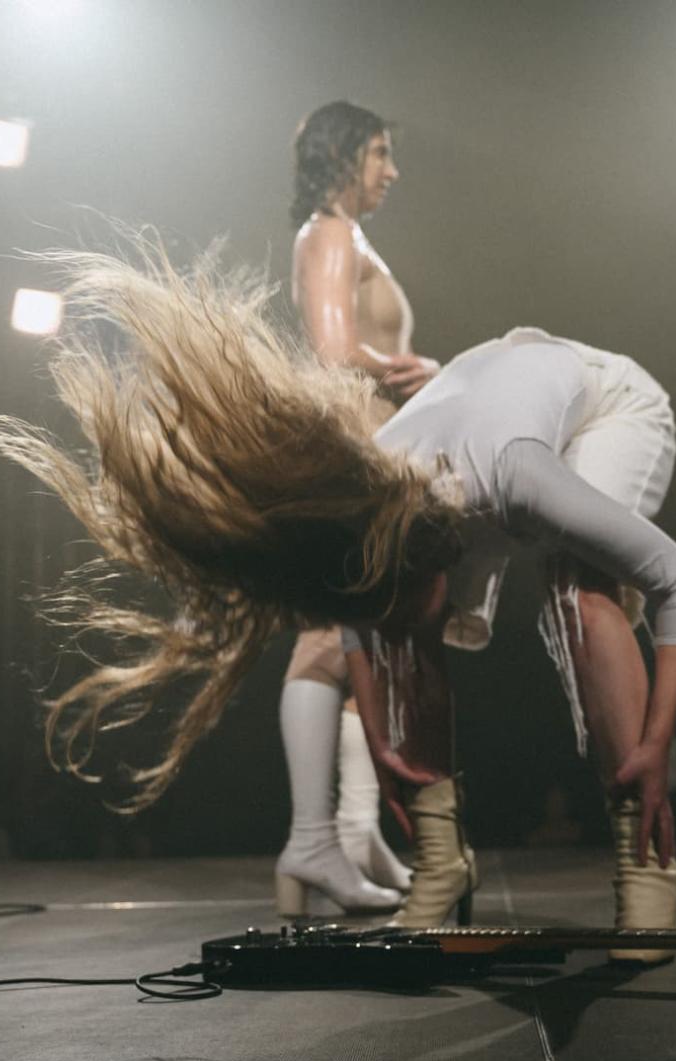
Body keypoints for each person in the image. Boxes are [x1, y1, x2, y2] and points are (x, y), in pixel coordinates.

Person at [0, 243, 676, 964]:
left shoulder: (516, 475)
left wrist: (657, 745)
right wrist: (387, 747)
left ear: (429, 555)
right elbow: (361, 622)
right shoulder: (373, 510)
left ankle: (645, 854)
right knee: (401, 628)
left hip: (607, 406)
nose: (390, 620)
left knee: (578, 588)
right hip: (475, 419)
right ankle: (441, 858)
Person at [270, 102, 439, 917]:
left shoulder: (344, 234)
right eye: (378, 153)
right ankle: (312, 838)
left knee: (363, 643)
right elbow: (332, 349)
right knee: (328, 640)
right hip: (351, 454)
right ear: (343, 156)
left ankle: (353, 828)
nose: (391, 170)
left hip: (373, 452)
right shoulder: (330, 232)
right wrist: (416, 370)